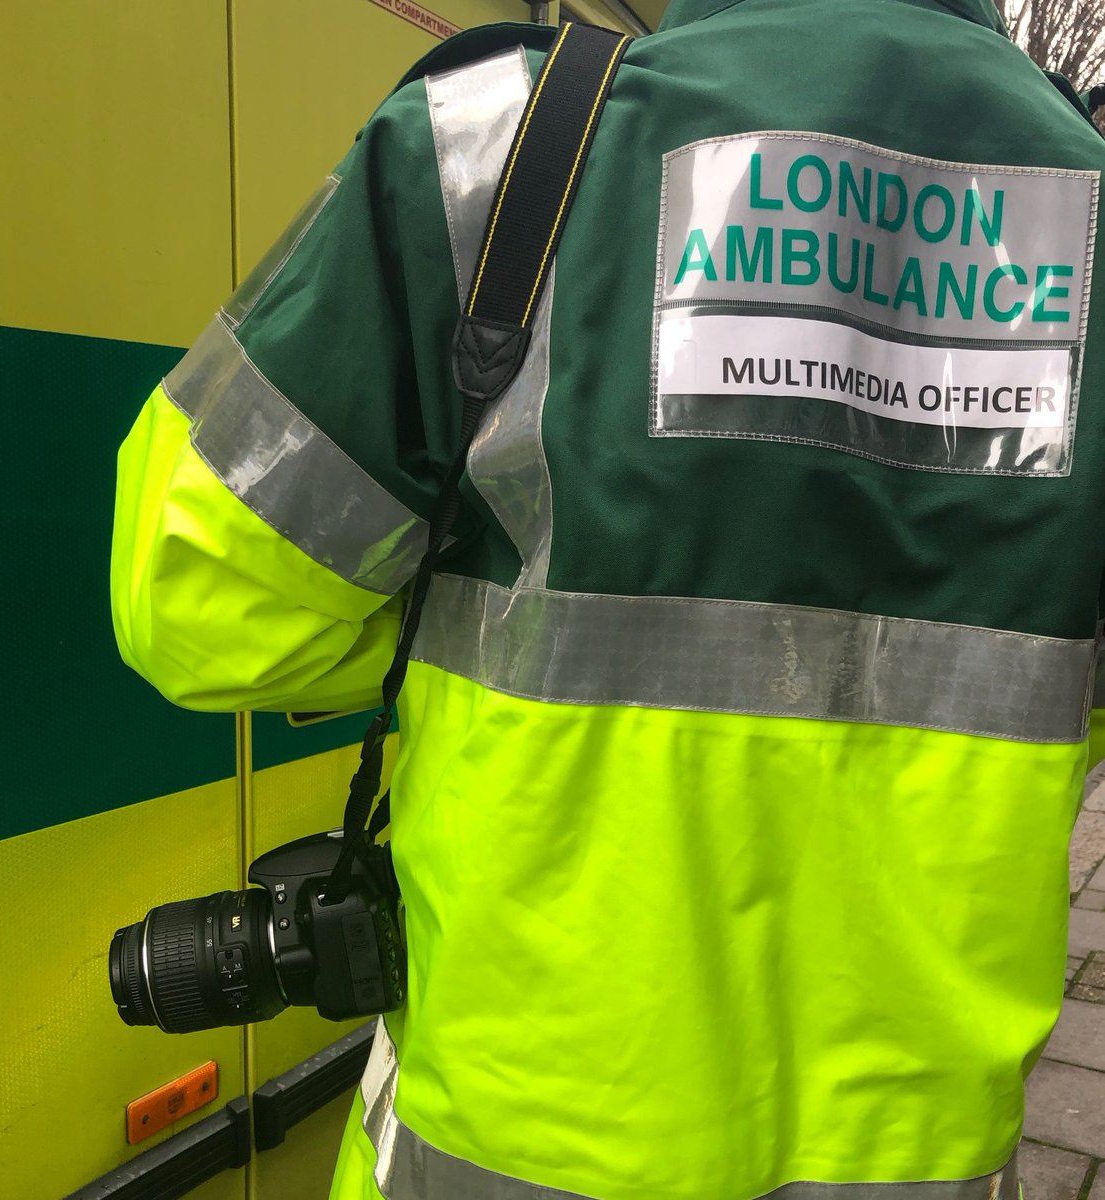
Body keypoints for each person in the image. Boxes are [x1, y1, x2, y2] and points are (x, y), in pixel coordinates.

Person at [111, 1, 1105, 1197]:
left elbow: (197, 599)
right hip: (917, 1153)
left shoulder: (509, 143)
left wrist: (479, 627)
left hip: (508, 1140)